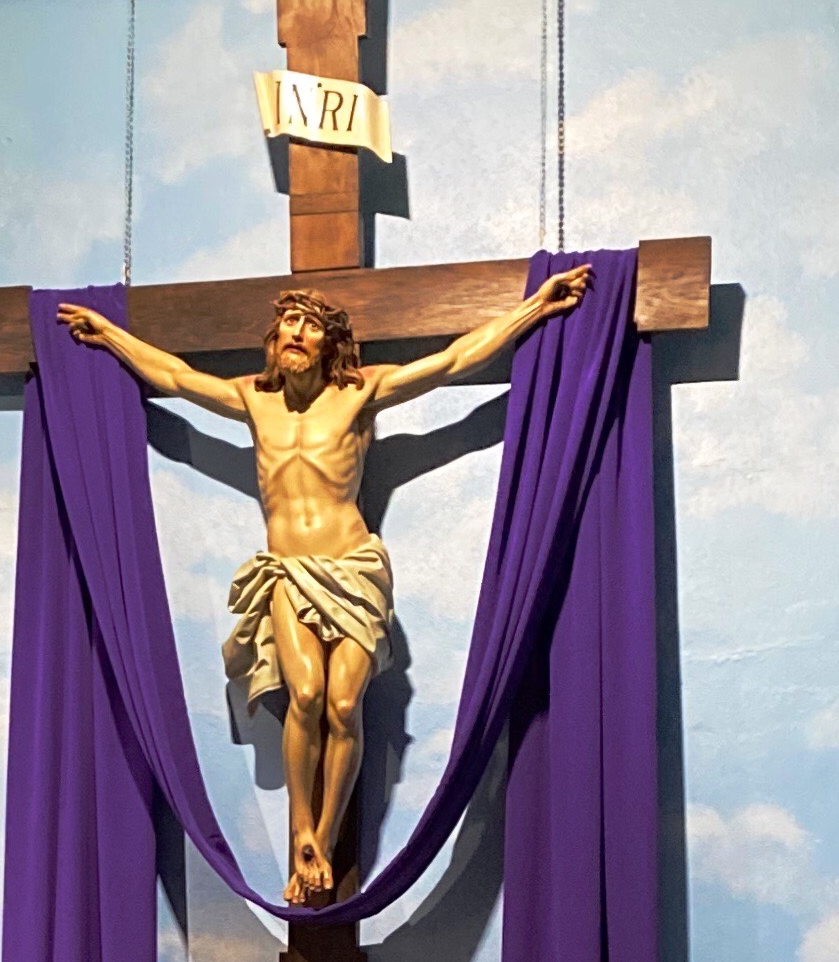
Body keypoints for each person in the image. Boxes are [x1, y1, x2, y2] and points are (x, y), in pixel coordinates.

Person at [57, 266, 590, 903]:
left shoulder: (358, 393)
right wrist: (110, 334)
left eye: (309, 325)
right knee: (305, 693)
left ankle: (324, 839)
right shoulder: (253, 399)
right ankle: (301, 831)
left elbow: (451, 361)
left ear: (328, 342)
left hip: (354, 567)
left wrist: (534, 309)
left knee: (343, 706)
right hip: (288, 570)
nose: (296, 332)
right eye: (288, 322)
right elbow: (174, 376)